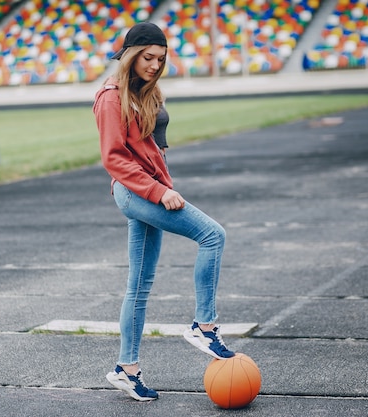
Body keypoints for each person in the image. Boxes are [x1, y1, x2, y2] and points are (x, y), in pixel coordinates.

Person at [92, 22, 235, 402]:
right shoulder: (110, 98)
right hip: (134, 192)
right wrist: (158, 192)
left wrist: (166, 186)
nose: (154, 65)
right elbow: (114, 159)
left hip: (151, 190)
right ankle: (204, 326)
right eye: (147, 57)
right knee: (212, 235)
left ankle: (127, 369)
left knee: (138, 286)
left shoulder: (146, 93)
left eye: (160, 58)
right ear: (130, 56)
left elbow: (156, 151)